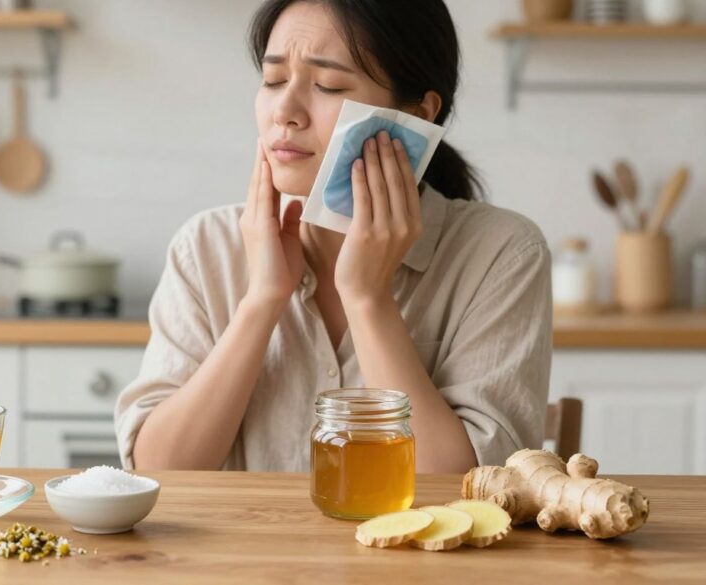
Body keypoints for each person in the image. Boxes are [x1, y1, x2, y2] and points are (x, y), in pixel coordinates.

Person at [114, 0, 552, 473]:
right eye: (274, 80)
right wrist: (262, 300)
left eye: (328, 85)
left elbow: (468, 488)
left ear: (418, 113)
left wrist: (367, 298)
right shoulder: (206, 246)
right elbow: (157, 472)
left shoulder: (503, 253)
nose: (284, 112)